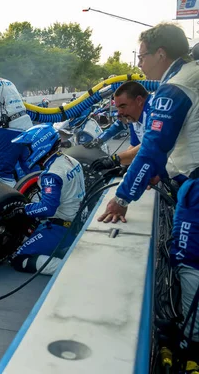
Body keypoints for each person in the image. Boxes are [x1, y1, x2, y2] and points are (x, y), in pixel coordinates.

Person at [98, 23, 199, 365]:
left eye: (140, 56)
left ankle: (191, 349)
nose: (139, 63)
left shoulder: (175, 88)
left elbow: (153, 150)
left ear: (160, 54)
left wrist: (122, 198)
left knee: (189, 263)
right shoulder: (194, 74)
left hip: (196, 188)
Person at [9, 124, 85, 275]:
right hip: (79, 221)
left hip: (62, 228)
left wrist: (23, 210)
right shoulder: (70, 160)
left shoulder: (52, 174)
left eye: (29, 147)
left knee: (18, 258)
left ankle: (70, 268)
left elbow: (48, 208)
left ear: (40, 146)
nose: (27, 151)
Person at [86, 81, 152, 170]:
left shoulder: (154, 112)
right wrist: (123, 165)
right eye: (117, 108)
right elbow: (134, 146)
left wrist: (116, 159)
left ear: (139, 101)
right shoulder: (134, 115)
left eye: (123, 106)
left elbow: (150, 146)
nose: (119, 112)